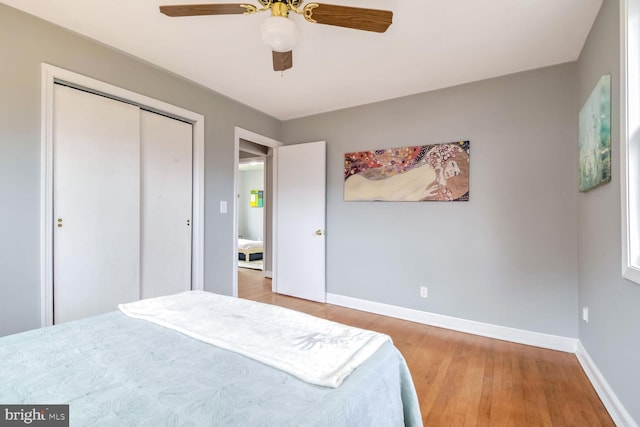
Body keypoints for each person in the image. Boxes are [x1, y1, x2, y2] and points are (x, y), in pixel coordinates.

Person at [344, 142, 469, 201]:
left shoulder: (430, 175)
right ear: (447, 159)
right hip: (363, 189)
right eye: (453, 165)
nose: (452, 171)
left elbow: (402, 195)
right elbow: (399, 195)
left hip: (362, 188)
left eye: (456, 172)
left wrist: (423, 195)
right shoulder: (429, 171)